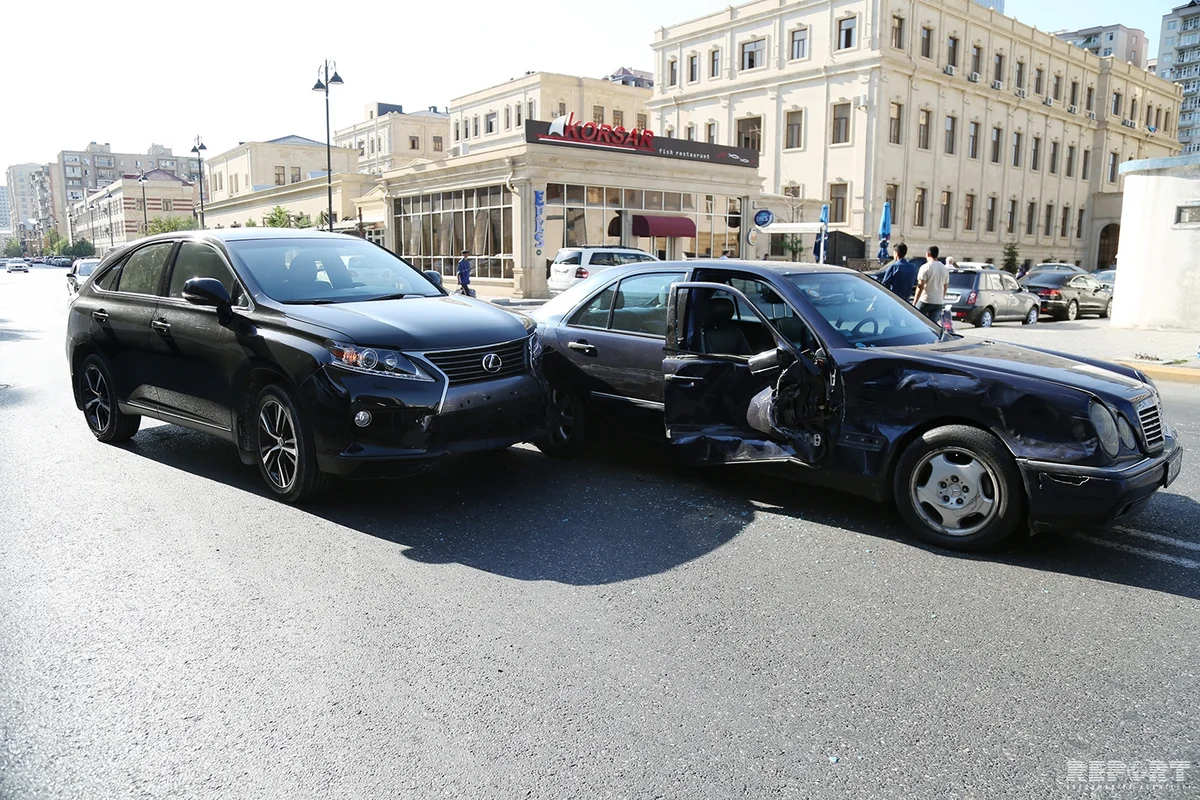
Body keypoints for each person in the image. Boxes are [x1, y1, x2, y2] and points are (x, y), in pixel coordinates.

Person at [913, 245, 950, 323]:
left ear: (928, 254)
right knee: (933, 324)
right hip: (938, 301)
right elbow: (945, 286)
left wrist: (915, 301)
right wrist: (941, 298)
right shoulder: (944, 269)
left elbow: (921, 286)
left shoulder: (925, 267)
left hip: (926, 300)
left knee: (916, 320)